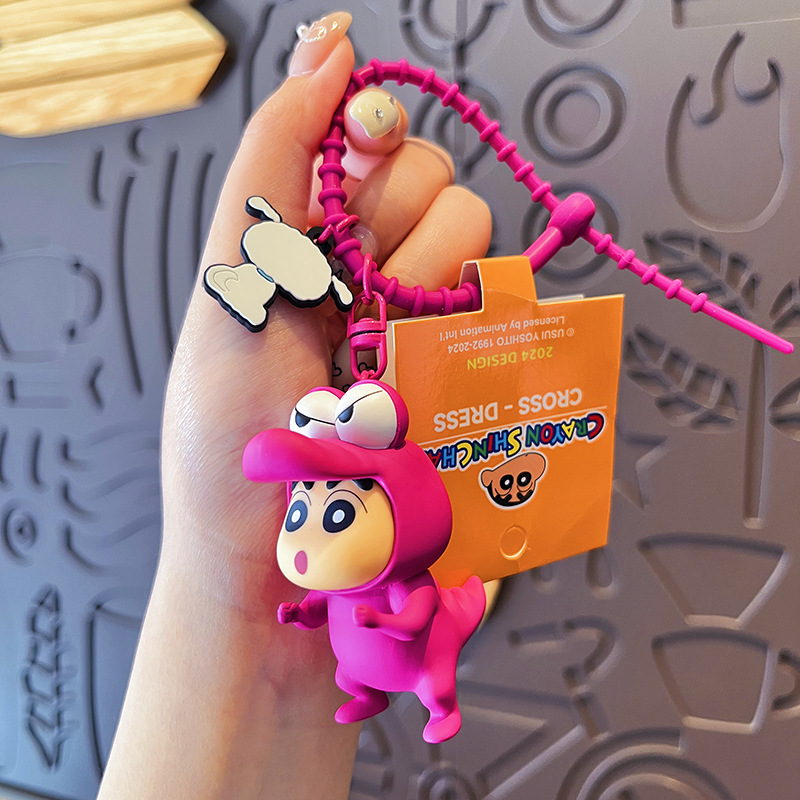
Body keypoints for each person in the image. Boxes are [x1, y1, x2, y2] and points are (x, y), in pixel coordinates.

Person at [97, 11, 491, 799]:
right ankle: (361, 691)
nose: (303, 538)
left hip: (394, 650)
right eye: (310, 507)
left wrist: (386, 621)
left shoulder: (398, 573)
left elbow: (417, 613)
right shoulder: (319, 565)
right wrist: (282, 610)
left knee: (427, 675)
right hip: (344, 663)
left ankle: (434, 703)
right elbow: (316, 597)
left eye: (325, 510)